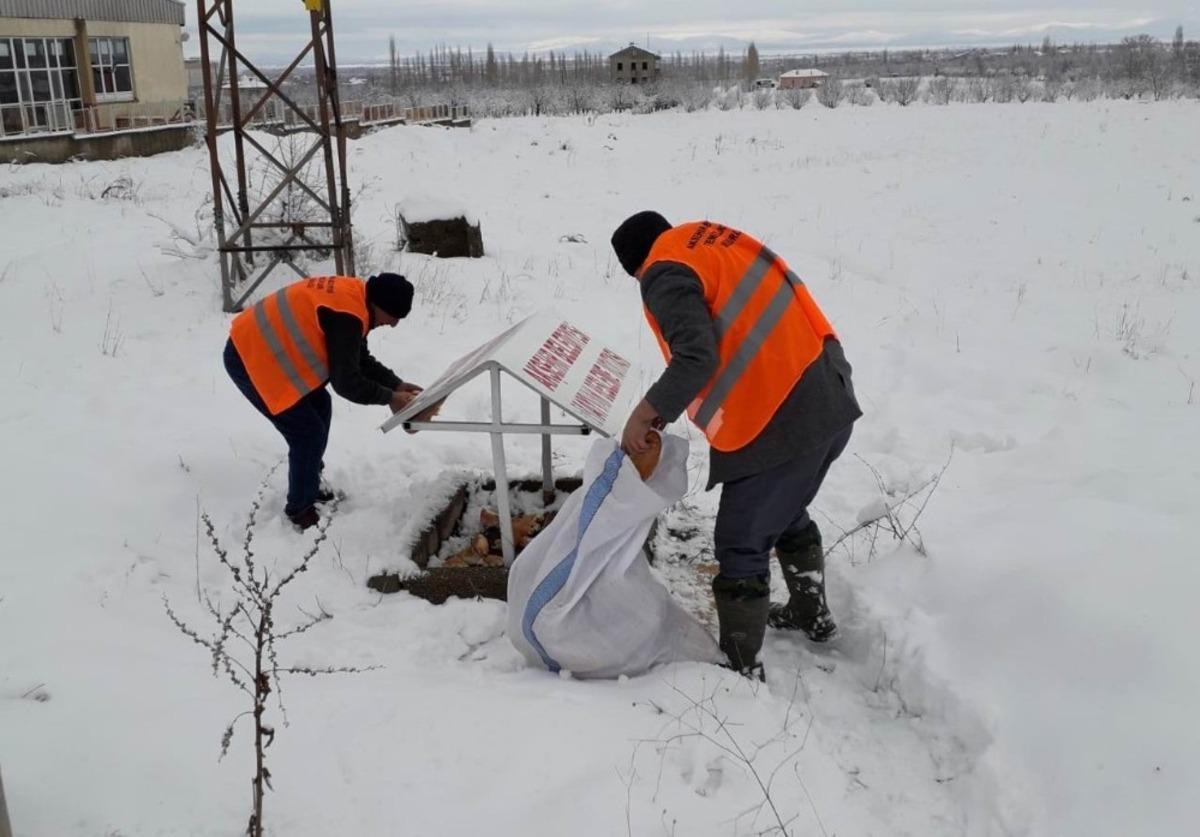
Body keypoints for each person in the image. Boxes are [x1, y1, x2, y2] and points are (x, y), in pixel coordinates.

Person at [611, 212, 861, 679]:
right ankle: (813, 616)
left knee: (740, 542)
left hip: (781, 415)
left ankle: (740, 669)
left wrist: (645, 413)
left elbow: (695, 356)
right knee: (785, 513)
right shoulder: (708, 243)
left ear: (635, 268)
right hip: (828, 390)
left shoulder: (663, 273)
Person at [223, 273, 422, 530]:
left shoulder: (354, 298)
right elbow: (347, 383)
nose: (394, 324)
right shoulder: (346, 315)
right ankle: (300, 509)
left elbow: (357, 358)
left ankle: (310, 485)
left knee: (320, 406)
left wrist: (394, 384)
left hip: (264, 350)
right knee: (307, 433)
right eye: (394, 316)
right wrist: (390, 398)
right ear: (378, 304)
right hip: (249, 357)